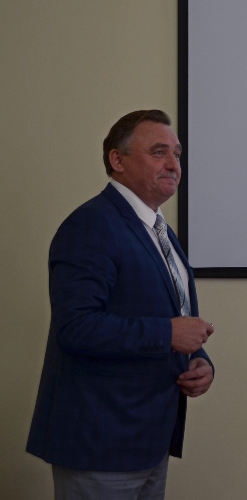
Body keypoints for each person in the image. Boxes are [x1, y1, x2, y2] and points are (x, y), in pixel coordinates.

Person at [27, 110, 215, 499]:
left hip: (150, 439)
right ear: (118, 159)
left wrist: (197, 359)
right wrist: (168, 334)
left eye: (177, 154)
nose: (173, 164)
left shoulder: (160, 231)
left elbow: (171, 314)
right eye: (159, 152)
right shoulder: (92, 224)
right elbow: (75, 327)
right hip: (100, 443)